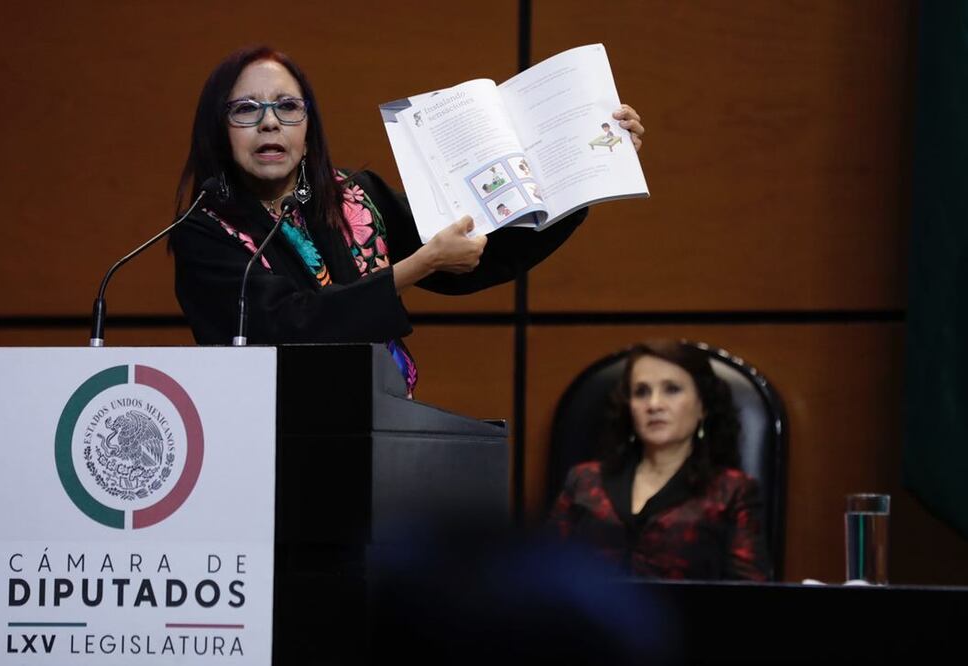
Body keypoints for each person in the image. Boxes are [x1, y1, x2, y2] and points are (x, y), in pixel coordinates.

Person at [170, 46, 646, 396]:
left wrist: (585, 173)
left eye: (288, 106)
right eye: (246, 109)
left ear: (309, 129)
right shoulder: (204, 230)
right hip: (273, 443)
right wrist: (417, 266)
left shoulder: (354, 196)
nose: (270, 122)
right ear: (219, 130)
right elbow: (286, 327)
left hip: (381, 422)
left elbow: (475, 253)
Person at [550, 340, 771, 580]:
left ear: (703, 406)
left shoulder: (732, 491)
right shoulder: (584, 480)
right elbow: (544, 571)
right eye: (641, 392)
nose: (654, 405)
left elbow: (750, 593)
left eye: (672, 389)